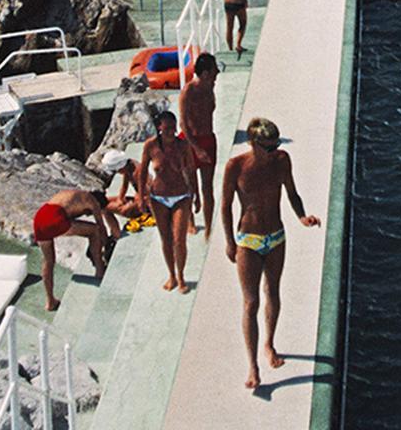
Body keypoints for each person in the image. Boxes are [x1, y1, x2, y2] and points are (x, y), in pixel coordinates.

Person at [221, 116, 321, 392]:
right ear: (253, 143)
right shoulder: (236, 167)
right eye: (267, 146)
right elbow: (226, 206)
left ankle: (269, 344)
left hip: (276, 236)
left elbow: (292, 193)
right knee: (250, 303)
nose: (273, 150)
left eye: (275, 144)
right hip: (248, 240)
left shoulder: (281, 160)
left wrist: (302, 217)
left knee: (273, 293)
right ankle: (252, 365)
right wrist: (230, 242)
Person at [137, 107, 197, 293]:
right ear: (159, 128)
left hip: (181, 196)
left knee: (179, 239)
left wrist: (197, 196)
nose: (171, 131)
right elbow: (142, 172)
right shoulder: (151, 146)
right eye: (167, 128)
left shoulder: (183, 145)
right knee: (166, 239)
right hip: (158, 198)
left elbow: (191, 170)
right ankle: (171, 274)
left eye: (173, 127)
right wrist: (141, 196)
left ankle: (181, 276)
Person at [31, 185, 118, 312]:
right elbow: (101, 227)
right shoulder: (91, 201)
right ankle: (100, 271)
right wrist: (105, 245)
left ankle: (50, 302)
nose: (88, 215)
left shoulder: (73, 194)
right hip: (55, 218)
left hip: (39, 218)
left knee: (48, 261)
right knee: (94, 231)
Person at [179, 50, 219, 239]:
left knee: (207, 187)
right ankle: (191, 222)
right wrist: (196, 148)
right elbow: (183, 124)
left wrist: (204, 148)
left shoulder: (210, 87)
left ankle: (209, 227)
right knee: (189, 186)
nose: (217, 74)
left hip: (208, 139)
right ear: (204, 74)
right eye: (214, 71)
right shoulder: (189, 91)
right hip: (190, 141)